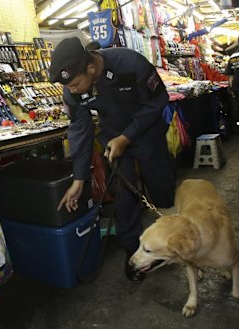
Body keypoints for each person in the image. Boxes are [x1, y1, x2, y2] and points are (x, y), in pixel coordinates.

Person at [49, 37, 176, 281]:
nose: (72, 90)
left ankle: (170, 242)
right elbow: (80, 131)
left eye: (75, 84)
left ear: (90, 67)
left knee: (161, 186)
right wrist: (79, 179)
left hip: (147, 132)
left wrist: (127, 136)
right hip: (112, 140)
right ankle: (134, 254)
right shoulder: (72, 91)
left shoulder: (130, 63)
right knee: (124, 195)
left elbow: (158, 100)